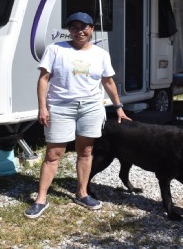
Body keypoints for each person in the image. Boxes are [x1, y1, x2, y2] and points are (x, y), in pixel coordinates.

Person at [24, 12, 132, 219]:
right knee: (53, 153)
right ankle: (41, 199)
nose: (79, 31)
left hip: (91, 107)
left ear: (92, 29)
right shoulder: (55, 49)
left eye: (84, 27)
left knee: (86, 151)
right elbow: (43, 80)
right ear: (69, 30)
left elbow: (108, 82)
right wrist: (42, 108)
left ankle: (82, 193)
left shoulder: (101, 54)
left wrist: (118, 107)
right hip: (60, 107)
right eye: (74, 27)